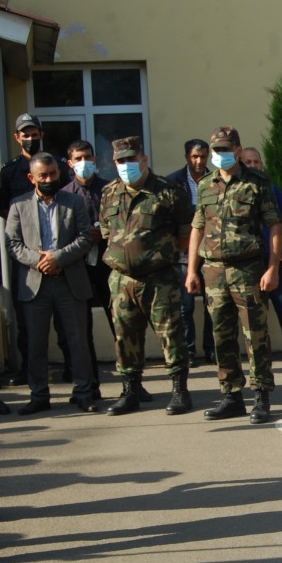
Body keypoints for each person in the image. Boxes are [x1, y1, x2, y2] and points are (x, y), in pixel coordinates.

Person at [187, 127, 281, 424]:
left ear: (238, 150)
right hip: (213, 270)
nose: (220, 155)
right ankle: (231, 395)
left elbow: (275, 226)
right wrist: (191, 270)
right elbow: (197, 228)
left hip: (247, 268)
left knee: (255, 334)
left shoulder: (257, 184)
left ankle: (262, 396)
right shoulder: (205, 186)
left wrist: (273, 267)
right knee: (220, 335)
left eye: (226, 149)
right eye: (216, 150)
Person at [100, 136, 193, 416]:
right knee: (125, 336)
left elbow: (187, 232)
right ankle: (130, 391)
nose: (126, 165)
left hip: (159, 277)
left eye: (131, 159)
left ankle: (179, 391)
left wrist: (157, 255)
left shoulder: (167, 191)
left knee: (171, 335)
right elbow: (106, 231)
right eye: (120, 161)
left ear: (144, 159)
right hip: (121, 279)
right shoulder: (109, 193)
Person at [5, 153, 97, 414]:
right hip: (35, 284)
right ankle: (38, 394)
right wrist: (38, 260)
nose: (48, 179)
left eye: (53, 174)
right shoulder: (18, 205)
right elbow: (13, 244)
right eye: (43, 175)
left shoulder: (74, 202)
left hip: (69, 280)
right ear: (31, 177)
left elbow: (84, 237)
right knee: (35, 342)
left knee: (77, 340)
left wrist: (58, 257)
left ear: (60, 173)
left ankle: (83, 392)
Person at [0, 113, 73, 386]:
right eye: (24, 134)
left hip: (62, 257)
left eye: (34, 133)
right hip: (27, 259)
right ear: (17, 137)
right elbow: (3, 208)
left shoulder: (57, 166)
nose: (30, 138)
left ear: (41, 134)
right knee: (27, 321)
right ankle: (27, 370)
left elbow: (71, 203)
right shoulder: (10, 171)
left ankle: (72, 369)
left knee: (67, 320)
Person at [239, 147, 282, 365]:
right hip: (247, 262)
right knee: (250, 310)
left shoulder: (270, 188)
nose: (252, 166)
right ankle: (257, 354)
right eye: (247, 162)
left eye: (256, 162)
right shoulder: (236, 191)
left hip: (273, 259)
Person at [62, 140, 112, 401]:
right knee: (83, 330)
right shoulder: (65, 195)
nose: (85, 162)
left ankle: (133, 382)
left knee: (121, 325)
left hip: (108, 266)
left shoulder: (110, 189)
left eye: (88, 157)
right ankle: (91, 384)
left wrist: (103, 232)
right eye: (79, 158)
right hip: (80, 269)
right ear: (70, 163)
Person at [167, 139, 215, 366]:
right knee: (185, 306)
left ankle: (211, 350)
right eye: (195, 156)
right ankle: (188, 351)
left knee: (212, 305)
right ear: (187, 156)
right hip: (184, 254)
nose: (199, 161)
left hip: (212, 252)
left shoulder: (215, 179)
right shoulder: (173, 182)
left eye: (203, 156)